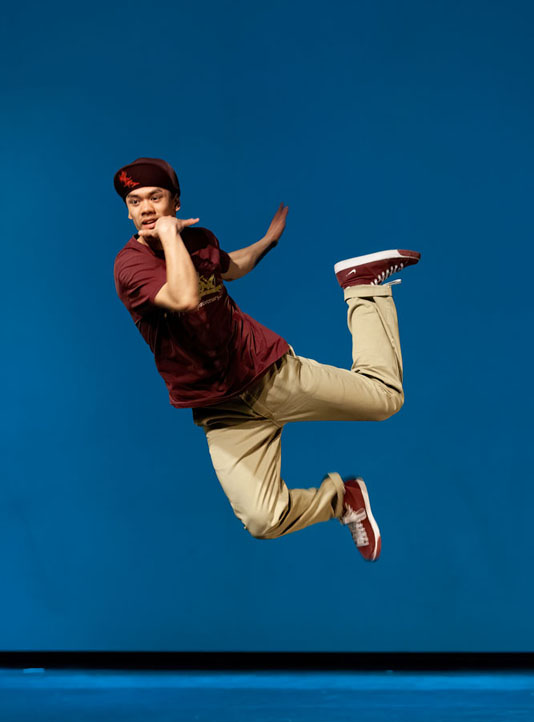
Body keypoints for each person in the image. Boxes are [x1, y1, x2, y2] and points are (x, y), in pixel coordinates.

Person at [113, 157, 421, 562]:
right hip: (222, 412)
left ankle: (362, 287)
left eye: (155, 197)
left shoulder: (198, 239)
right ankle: (341, 499)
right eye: (135, 202)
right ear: (128, 211)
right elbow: (184, 297)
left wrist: (267, 242)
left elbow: (230, 266)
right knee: (263, 520)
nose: (146, 209)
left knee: (385, 399)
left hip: (269, 375)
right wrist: (170, 236)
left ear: (176, 202)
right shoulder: (131, 266)